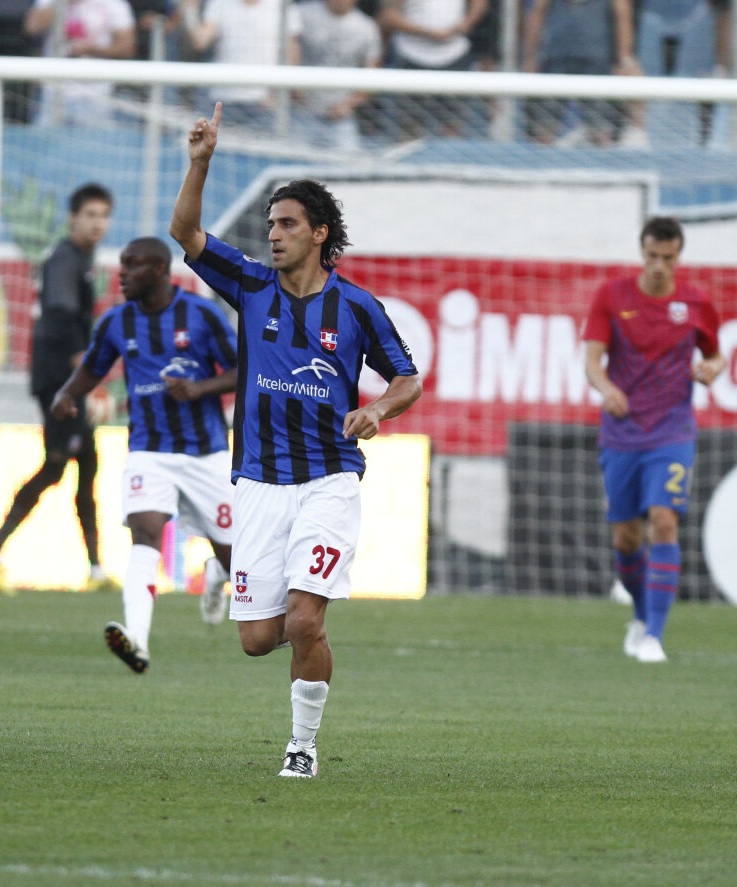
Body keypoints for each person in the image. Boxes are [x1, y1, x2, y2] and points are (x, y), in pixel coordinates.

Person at [170, 104, 421, 778]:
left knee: (306, 621)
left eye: (286, 224)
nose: (272, 234)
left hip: (329, 480)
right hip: (257, 482)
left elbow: (407, 378)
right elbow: (185, 231)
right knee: (258, 639)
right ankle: (255, 581)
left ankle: (302, 747)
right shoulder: (251, 285)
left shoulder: (359, 307)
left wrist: (378, 411)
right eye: (271, 223)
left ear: (319, 234)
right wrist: (201, 161)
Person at [51, 236, 239, 673]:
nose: (122, 273)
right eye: (122, 264)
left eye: (132, 265)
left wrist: (199, 388)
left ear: (159, 270)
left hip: (205, 451)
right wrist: (67, 394)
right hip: (148, 450)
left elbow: (242, 368)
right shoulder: (117, 321)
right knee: (145, 534)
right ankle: (137, 638)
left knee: (237, 561)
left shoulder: (201, 313)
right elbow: (93, 367)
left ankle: (218, 570)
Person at [583, 217, 725, 664]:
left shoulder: (697, 302)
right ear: (641, 253)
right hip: (623, 432)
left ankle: (653, 638)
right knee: (626, 538)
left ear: (679, 256)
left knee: (664, 521)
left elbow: (716, 355)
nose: (660, 265)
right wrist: (606, 389)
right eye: (653, 256)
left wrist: (712, 370)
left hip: (673, 429)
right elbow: (592, 359)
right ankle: (641, 619)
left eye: (669, 257)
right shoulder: (612, 295)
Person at [0, 183, 117, 592]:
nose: (98, 223)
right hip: (60, 382)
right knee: (57, 467)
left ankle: (95, 568)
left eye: (104, 215)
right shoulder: (65, 259)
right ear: (72, 218)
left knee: (81, 465)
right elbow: (61, 318)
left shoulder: (80, 258)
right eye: (91, 214)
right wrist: (87, 380)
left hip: (62, 380)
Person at [522, 0, 639, 147]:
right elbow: (537, 13)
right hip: (556, 57)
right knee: (544, 126)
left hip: (596, 59)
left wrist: (624, 58)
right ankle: (541, 164)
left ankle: (603, 162)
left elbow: (622, 16)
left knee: (601, 129)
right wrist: (531, 56)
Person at [179, 0, 301, 130]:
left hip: (265, 105)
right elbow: (200, 41)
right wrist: (190, 9)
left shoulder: (283, 5)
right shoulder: (220, 4)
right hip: (224, 101)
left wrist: (276, 94)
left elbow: (292, 54)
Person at [380, 0, 488, 139]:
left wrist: (464, 24)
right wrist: (427, 32)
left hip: (453, 57)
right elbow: (389, 15)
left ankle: (449, 158)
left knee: (451, 123)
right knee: (409, 124)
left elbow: (480, 4)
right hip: (411, 57)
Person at [24, 0, 135, 125]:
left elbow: (127, 47)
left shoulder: (113, 3)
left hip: (97, 93)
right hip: (52, 92)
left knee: (92, 143)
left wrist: (90, 49)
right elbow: (32, 27)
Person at [294, 0, 383, 151]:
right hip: (299, 113)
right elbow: (284, 48)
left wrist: (348, 104)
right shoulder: (301, 14)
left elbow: (373, 73)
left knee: (347, 165)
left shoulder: (366, 27)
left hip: (340, 116)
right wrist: (295, 87)